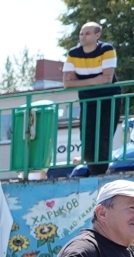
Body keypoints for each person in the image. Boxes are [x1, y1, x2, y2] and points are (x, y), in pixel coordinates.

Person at [65, 22, 118, 175]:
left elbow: (107, 79)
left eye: (87, 33)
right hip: (87, 99)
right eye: (81, 33)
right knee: (87, 137)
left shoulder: (106, 49)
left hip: (109, 98)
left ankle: (100, 172)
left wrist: (80, 82)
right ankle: (94, 172)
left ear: (97, 35)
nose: (83, 36)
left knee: (104, 136)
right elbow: (67, 83)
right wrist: (96, 80)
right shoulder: (73, 53)